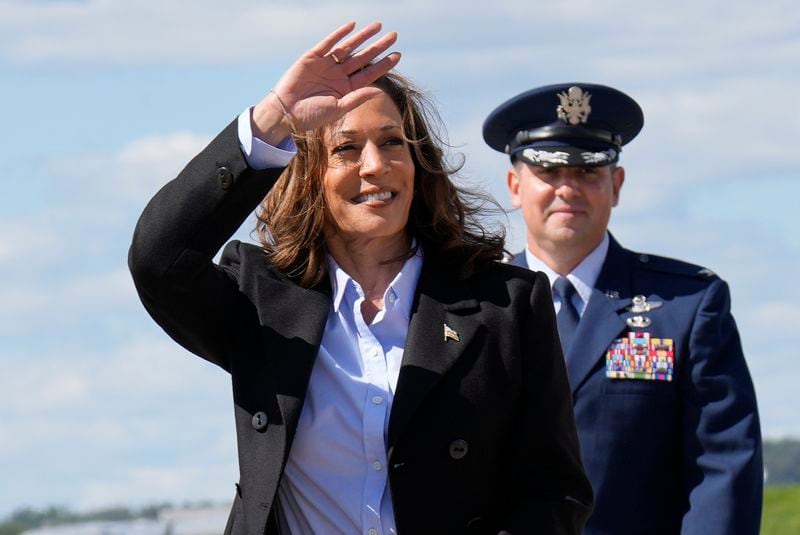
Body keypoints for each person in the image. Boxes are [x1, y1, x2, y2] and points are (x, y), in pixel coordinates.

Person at [129, 23, 593, 535]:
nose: (375, 166)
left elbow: (555, 491)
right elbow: (158, 259)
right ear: (309, 175)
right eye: (346, 149)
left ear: (418, 164)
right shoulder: (260, 298)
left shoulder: (506, 303)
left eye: (392, 142)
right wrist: (272, 119)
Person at [483, 83, 763, 534]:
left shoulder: (686, 306)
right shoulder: (471, 306)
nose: (568, 189)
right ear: (516, 186)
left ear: (616, 185)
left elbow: (723, 466)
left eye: (589, 173)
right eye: (550, 172)